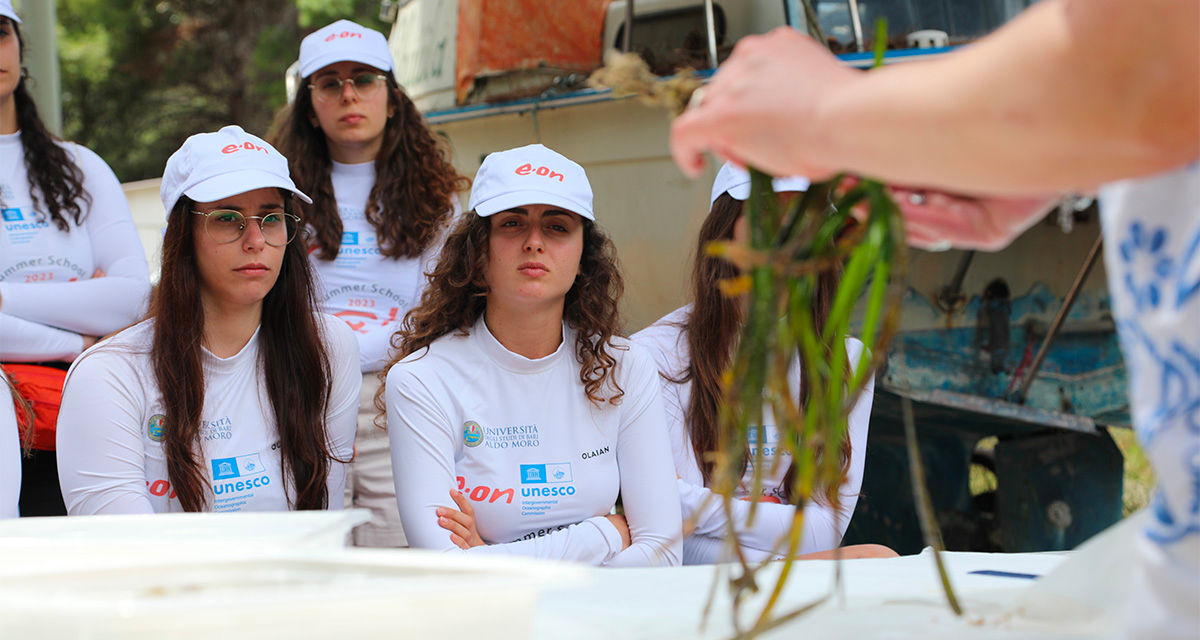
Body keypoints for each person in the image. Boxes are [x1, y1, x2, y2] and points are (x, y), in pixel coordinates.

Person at [669, 1, 1197, 637]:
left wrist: (837, 110)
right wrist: (1040, 160)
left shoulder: (844, 359)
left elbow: (1145, 41)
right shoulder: (659, 353)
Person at [383, 144, 682, 565]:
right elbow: (447, 570)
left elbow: (664, 557)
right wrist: (606, 531)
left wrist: (492, 558)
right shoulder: (421, 380)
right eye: (512, 223)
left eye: (557, 226)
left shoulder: (625, 366)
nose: (534, 242)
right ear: (478, 252)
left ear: (583, 257)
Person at [55, 126, 360, 515]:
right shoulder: (108, 375)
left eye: (270, 218)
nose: (255, 240)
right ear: (183, 235)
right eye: (227, 218)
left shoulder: (328, 347)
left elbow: (323, 526)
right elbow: (127, 558)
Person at [270, 19, 469, 547]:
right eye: (329, 82)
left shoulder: (439, 196)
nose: (348, 94)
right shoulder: (277, 193)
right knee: (310, 548)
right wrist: (329, 359)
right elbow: (274, 296)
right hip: (297, 387)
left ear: (392, 94)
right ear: (309, 103)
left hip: (398, 390)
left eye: (364, 79)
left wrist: (353, 355)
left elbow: (442, 304)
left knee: (397, 549)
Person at [633, 163, 886, 564]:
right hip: (693, 582)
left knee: (879, 560)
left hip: (781, 569)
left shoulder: (848, 362)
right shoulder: (656, 354)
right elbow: (671, 527)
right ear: (725, 230)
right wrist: (789, 535)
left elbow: (825, 531)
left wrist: (696, 501)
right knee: (875, 559)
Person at [0, 2, 150, 516]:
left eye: (0, 33)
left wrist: (5, 298)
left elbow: (130, 300)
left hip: (90, 406)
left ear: (20, 45)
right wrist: (82, 336)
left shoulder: (80, 166)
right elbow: (106, 309)